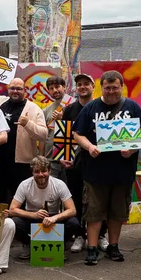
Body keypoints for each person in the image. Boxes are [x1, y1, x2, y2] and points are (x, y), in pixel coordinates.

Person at [73, 70, 141, 265]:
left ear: (121, 87)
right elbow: (77, 133)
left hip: (122, 170)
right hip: (95, 171)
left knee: (117, 211)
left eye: (115, 87)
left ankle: (113, 247)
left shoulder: (132, 107)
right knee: (94, 211)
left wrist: (133, 149)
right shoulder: (91, 107)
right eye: (107, 88)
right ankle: (91, 248)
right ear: (102, 88)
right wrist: (89, 146)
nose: (111, 91)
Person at [0, 77, 48, 205]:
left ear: (25, 90)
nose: (15, 91)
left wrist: (28, 124)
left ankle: (19, 225)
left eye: (19, 89)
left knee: (21, 200)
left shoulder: (34, 108)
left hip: (22, 164)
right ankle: (0, 225)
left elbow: (43, 135)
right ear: (8, 89)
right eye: (12, 88)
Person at [8, 156, 80, 260]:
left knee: (73, 223)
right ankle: (28, 244)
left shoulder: (59, 184)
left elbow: (72, 210)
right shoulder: (25, 185)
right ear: (32, 172)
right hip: (32, 217)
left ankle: (59, 245)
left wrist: (54, 218)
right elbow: (12, 209)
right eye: (37, 172)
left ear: (49, 171)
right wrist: (33, 214)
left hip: (53, 217)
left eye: (44, 171)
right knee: (14, 222)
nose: (41, 175)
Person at [60, 73, 95, 253]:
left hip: (97, 162)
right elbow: (64, 137)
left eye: (86, 84)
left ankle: (100, 235)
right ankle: (80, 235)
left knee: (97, 200)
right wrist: (64, 156)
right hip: (74, 162)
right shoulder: (69, 110)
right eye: (79, 84)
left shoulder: (101, 107)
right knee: (75, 198)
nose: (82, 87)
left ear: (93, 86)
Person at [42, 76, 71, 179]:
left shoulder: (74, 105)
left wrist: (62, 118)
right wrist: (42, 157)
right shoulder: (46, 110)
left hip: (70, 157)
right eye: (51, 88)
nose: (55, 90)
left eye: (57, 86)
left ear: (64, 87)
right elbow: (43, 136)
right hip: (51, 158)